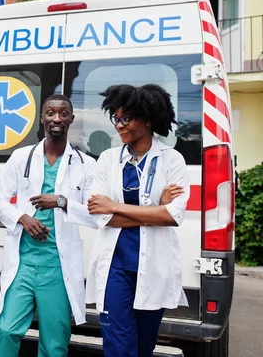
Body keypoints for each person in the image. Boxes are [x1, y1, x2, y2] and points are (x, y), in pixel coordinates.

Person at [86, 83, 189, 357]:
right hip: (116, 267)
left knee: (144, 347)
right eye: (116, 119)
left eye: (126, 119)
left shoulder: (172, 160)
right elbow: (102, 215)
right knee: (119, 348)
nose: (119, 125)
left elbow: (172, 215)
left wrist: (117, 206)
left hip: (154, 266)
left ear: (148, 119)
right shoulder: (107, 160)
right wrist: (154, 210)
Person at [0, 94, 98, 357]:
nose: (57, 118)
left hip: (58, 268)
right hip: (24, 262)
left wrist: (62, 202)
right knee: (6, 330)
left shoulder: (86, 165)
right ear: (42, 119)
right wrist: (22, 218)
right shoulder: (21, 157)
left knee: (54, 341)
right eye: (51, 113)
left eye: (63, 113)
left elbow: (97, 216)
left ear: (71, 119)